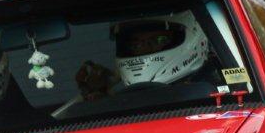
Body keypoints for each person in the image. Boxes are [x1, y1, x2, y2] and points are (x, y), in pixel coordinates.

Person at [74, 10, 211, 101]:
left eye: (159, 40)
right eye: (135, 45)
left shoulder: (218, 91)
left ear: (193, 36)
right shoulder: (115, 104)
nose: (144, 48)